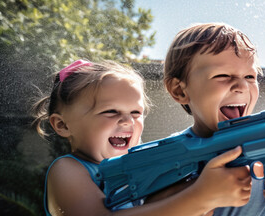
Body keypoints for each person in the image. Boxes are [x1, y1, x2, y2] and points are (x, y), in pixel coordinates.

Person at [34, 59, 243, 215]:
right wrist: (200, 196)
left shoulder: (138, 170)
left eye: (136, 113)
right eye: (110, 112)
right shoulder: (68, 169)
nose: (127, 121)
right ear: (62, 125)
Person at [163, 23, 265, 216]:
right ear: (179, 90)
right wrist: (200, 197)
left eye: (250, 76)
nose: (241, 86)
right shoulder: (170, 158)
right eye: (222, 75)